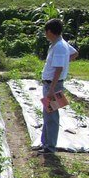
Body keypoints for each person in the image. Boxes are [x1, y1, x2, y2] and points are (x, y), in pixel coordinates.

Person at [37, 18, 78, 154]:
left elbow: (59, 68)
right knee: (48, 114)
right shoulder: (60, 43)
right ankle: (46, 143)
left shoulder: (60, 46)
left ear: (50, 31)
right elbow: (75, 53)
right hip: (52, 84)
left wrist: (52, 89)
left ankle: (50, 147)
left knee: (52, 116)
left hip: (53, 85)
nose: (45, 35)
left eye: (46, 32)